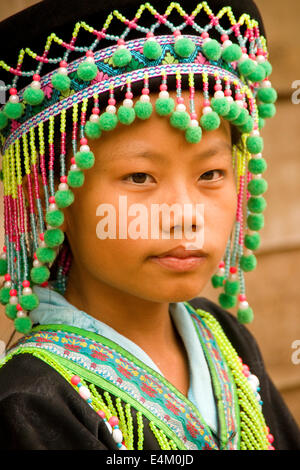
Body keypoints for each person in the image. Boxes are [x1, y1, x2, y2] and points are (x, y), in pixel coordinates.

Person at [0, 0, 299, 450]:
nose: (185, 216)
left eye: (210, 174)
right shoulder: (32, 399)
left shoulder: (222, 336)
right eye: (140, 177)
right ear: (54, 195)